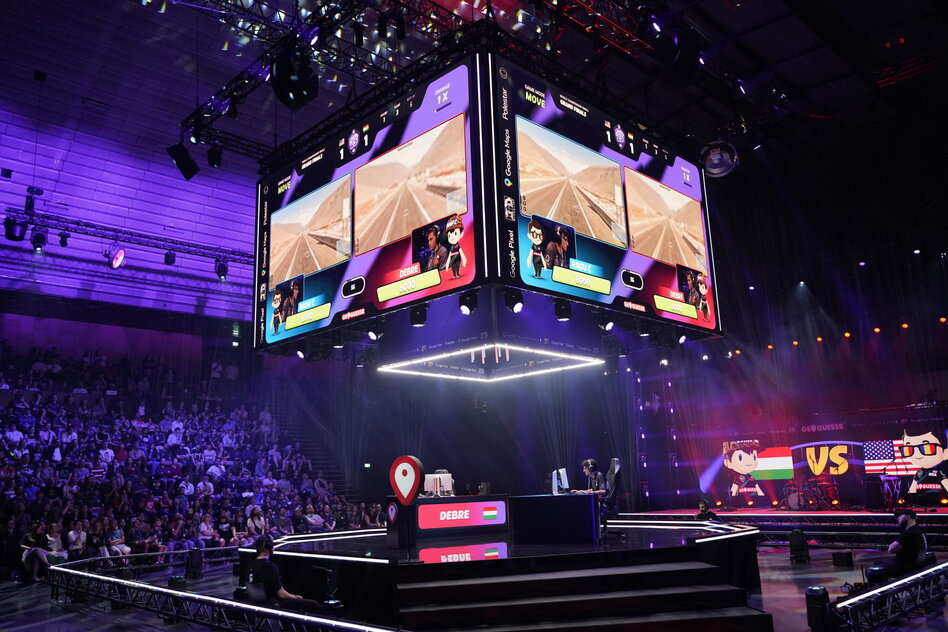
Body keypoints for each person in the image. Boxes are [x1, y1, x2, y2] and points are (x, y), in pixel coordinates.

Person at [246, 536, 322, 613]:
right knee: (313, 604)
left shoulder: (250, 566)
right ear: (269, 547)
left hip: (256, 604)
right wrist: (295, 597)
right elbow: (281, 594)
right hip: (271, 605)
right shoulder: (269, 567)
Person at [884, 508, 928, 578]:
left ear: (908, 517)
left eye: (900, 516)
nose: (897, 518)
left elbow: (891, 550)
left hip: (906, 567)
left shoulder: (909, 532)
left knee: (876, 568)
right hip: (915, 565)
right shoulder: (918, 531)